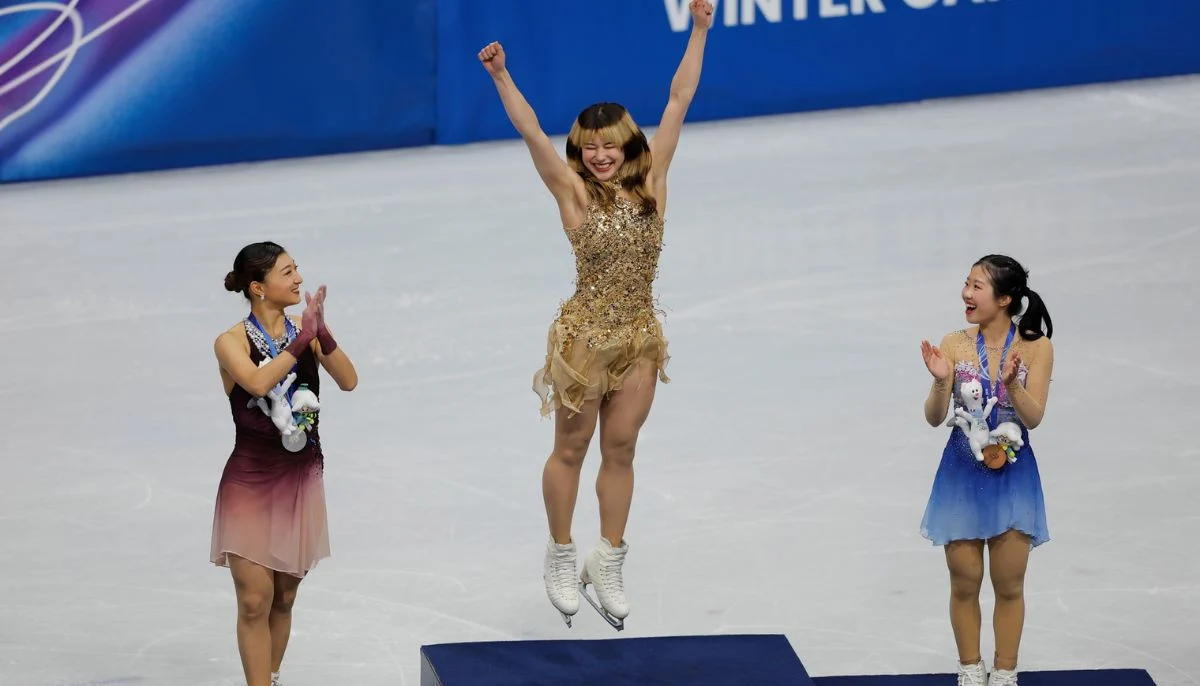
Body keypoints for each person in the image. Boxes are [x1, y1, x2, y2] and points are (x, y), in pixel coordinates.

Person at [477, 0, 714, 630]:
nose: (600, 156)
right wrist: (502, 76)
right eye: (588, 147)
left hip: (639, 338)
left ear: (628, 144)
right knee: (571, 447)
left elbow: (679, 99)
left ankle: (607, 558)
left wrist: (698, 30)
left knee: (622, 447)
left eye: (609, 145)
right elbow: (532, 132)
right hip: (584, 341)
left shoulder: (654, 181)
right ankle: (561, 552)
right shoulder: (573, 192)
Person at [210, 242, 357, 686]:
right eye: (287, 272)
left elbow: (349, 380)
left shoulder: (305, 331)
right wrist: (302, 341)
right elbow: (257, 382)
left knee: (284, 598)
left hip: (300, 481)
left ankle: (270, 678)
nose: (298, 279)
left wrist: (321, 333)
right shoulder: (230, 342)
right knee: (254, 599)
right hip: (250, 481)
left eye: (297, 269)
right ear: (258, 287)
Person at [919, 254, 1055, 686]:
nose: (966, 293)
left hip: (1013, 476)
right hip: (961, 475)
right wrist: (941, 380)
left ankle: (1005, 672)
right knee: (965, 581)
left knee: (1009, 583)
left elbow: (1033, 418)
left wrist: (1013, 384)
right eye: (967, 283)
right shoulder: (955, 343)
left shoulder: (1036, 347)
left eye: (977, 286)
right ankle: (970, 669)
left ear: (1004, 298)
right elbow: (934, 417)